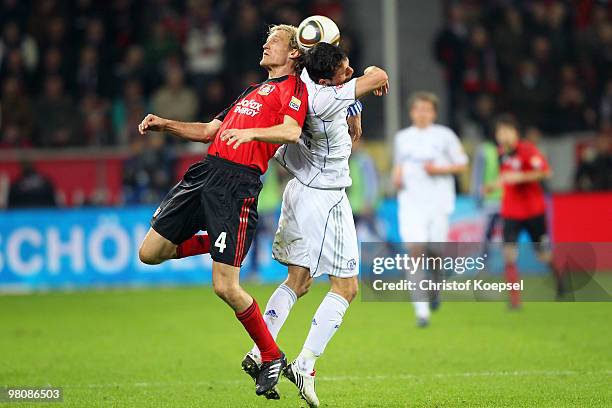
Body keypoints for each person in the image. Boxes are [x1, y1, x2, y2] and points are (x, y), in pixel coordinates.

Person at [136, 24, 308, 397]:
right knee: (149, 253)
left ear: (294, 52)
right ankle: (218, 242)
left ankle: (271, 354)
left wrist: (252, 135)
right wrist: (165, 123)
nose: (264, 44)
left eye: (273, 40)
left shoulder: (294, 89)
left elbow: (291, 132)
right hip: (204, 173)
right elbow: (208, 130)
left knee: (225, 286)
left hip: (237, 185)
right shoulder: (250, 91)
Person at [227, 42, 388, 407]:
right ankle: (305, 364)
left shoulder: (300, 85)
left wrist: (356, 103)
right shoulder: (328, 100)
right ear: (329, 80)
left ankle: (259, 350)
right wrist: (362, 90)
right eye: (344, 72)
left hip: (297, 190)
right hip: (327, 197)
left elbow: (352, 86)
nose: (350, 75)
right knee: (346, 288)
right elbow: (377, 75)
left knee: (297, 281)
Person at [392, 92, 468, 327]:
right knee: (415, 252)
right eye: (418, 109)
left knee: (435, 254)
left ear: (433, 112)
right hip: (411, 204)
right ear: (411, 112)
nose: (422, 113)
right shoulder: (403, 138)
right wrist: (396, 176)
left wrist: (440, 170)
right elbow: (399, 165)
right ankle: (421, 311)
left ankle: (435, 291)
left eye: (427, 109)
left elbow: (463, 163)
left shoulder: (444, 136)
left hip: (438, 203)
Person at [486, 114, 563, 308]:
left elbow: (546, 172)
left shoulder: (528, 151)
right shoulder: (501, 152)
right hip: (511, 212)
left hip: (533, 211)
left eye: (507, 132)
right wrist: (493, 185)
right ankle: (515, 301)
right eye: (500, 133)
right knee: (509, 254)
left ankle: (560, 282)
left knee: (543, 255)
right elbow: (506, 176)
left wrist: (520, 177)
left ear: (516, 133)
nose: (503, 136)